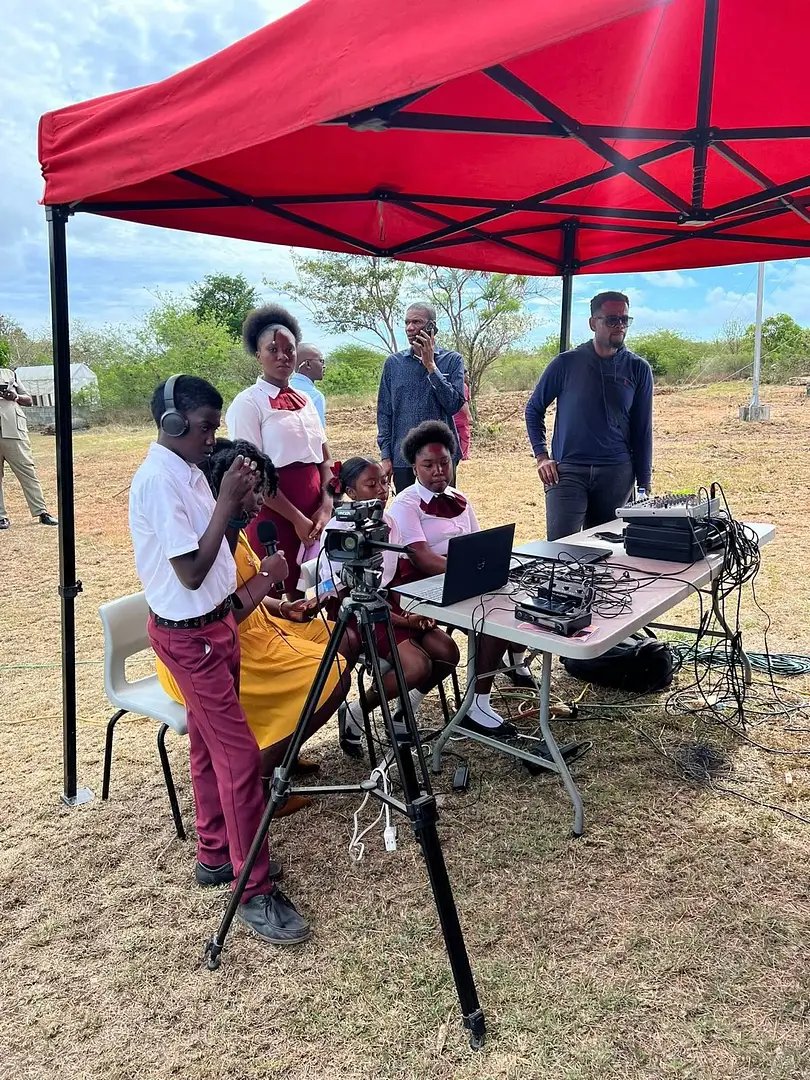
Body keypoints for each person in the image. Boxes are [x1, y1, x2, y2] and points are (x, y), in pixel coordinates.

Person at [129, 374, 310, 947]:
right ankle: (252, 889)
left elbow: (218, 565)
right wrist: (228, 502)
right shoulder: (158, 480)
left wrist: (234, 517)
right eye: (205, 427)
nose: (213, 438)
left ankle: (214, 852)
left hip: (216, 627)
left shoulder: (187, 470)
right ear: (172, 423)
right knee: (239, 756)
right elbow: (189, 572)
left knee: (209, 748)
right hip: (190, 640)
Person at [155, 438, 354, 812]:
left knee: (344, 638)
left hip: (262, 626)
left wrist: (285, 606)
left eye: (264, 491)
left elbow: (250, 593)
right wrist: (267, 577)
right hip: (224, 648)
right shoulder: (206, 537)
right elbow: (220, 614)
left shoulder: (237, 526)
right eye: (256, 491)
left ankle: (285, 748)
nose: (262, 502)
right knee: (333, 673)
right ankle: (261, 779)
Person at [386, 421, 521, 739]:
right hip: (418, 586)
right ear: (414, 467)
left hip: (458, 579)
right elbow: (421, 557)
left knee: (507, 606)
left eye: (444, 462)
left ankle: (480, 700)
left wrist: (486, 567)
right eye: (428, 465)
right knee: (491, 615)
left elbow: (477, 544)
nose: (438, 471)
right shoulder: (406, 504)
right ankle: (475, 706)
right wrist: (469, 571)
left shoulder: (460, 498)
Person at [319, 456, 460, 757]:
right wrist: (404, 621)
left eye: (384, 482)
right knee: (417, 665)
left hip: (389, 602)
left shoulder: (389, 522)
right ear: (351, 492)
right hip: (358, 611)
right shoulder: (338, 531)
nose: (382, 490)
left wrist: (417, 609)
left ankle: (403, 711)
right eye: (371, 485)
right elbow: (349, 593)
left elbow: (392, 575)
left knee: (447, 653)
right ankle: (357, 712)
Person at [525, 291, 654, 541]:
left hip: (616, 474)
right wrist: (541, 456)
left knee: (608, 550)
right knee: (560, 549)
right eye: (612, 320)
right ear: (593, 323)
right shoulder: (566, 364)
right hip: (567, 472)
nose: (619, 326)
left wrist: (644, 484)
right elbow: (534, 409)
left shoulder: (638, 368)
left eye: (624, 320)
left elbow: (643, 430)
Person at [226, 305, 334, 597]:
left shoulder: (306, 401)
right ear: (258, 355)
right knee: (279, 593)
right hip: (275, 512)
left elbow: (325, 459)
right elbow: (253, 473)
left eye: (289, 349)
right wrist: (297, 519)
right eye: (272, 349)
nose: (282, 356)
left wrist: (326, 506)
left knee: (319, 589)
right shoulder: (248, 404)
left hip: (316, 512)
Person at [377, 302, 465, 494]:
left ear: (432, 326)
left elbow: (453, 404)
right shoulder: (393, 364)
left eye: (416, 322)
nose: (410, 328)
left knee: (442, 508)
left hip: (440, 457)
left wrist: (431, 366)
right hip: (403, 458)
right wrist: (386, 455)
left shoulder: (452, 360)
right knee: (408, 508)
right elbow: (384, 413)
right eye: (407, 322)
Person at [0, 365, 58, 530]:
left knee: (27, 471)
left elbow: (29, 400)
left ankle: (42, 512)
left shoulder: (9, 374)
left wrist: (15, 396)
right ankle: (1, 517)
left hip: (14, 430)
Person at [289, 343, 326, 428]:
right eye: (321, 361)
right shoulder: (315, 395)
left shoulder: (282, 389)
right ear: (308, 364)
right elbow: (318, 432)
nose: (324, 366)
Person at [453, 371, 472, 462]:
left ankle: (456, 454)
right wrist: (469, 416)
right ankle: (464, 455)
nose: (468, 377)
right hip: (461, 417)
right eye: (466, 375)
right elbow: (464, 403)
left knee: (455, 436)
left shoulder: (453, 384)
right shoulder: (463, 386)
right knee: (465, 435)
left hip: (453, 416)